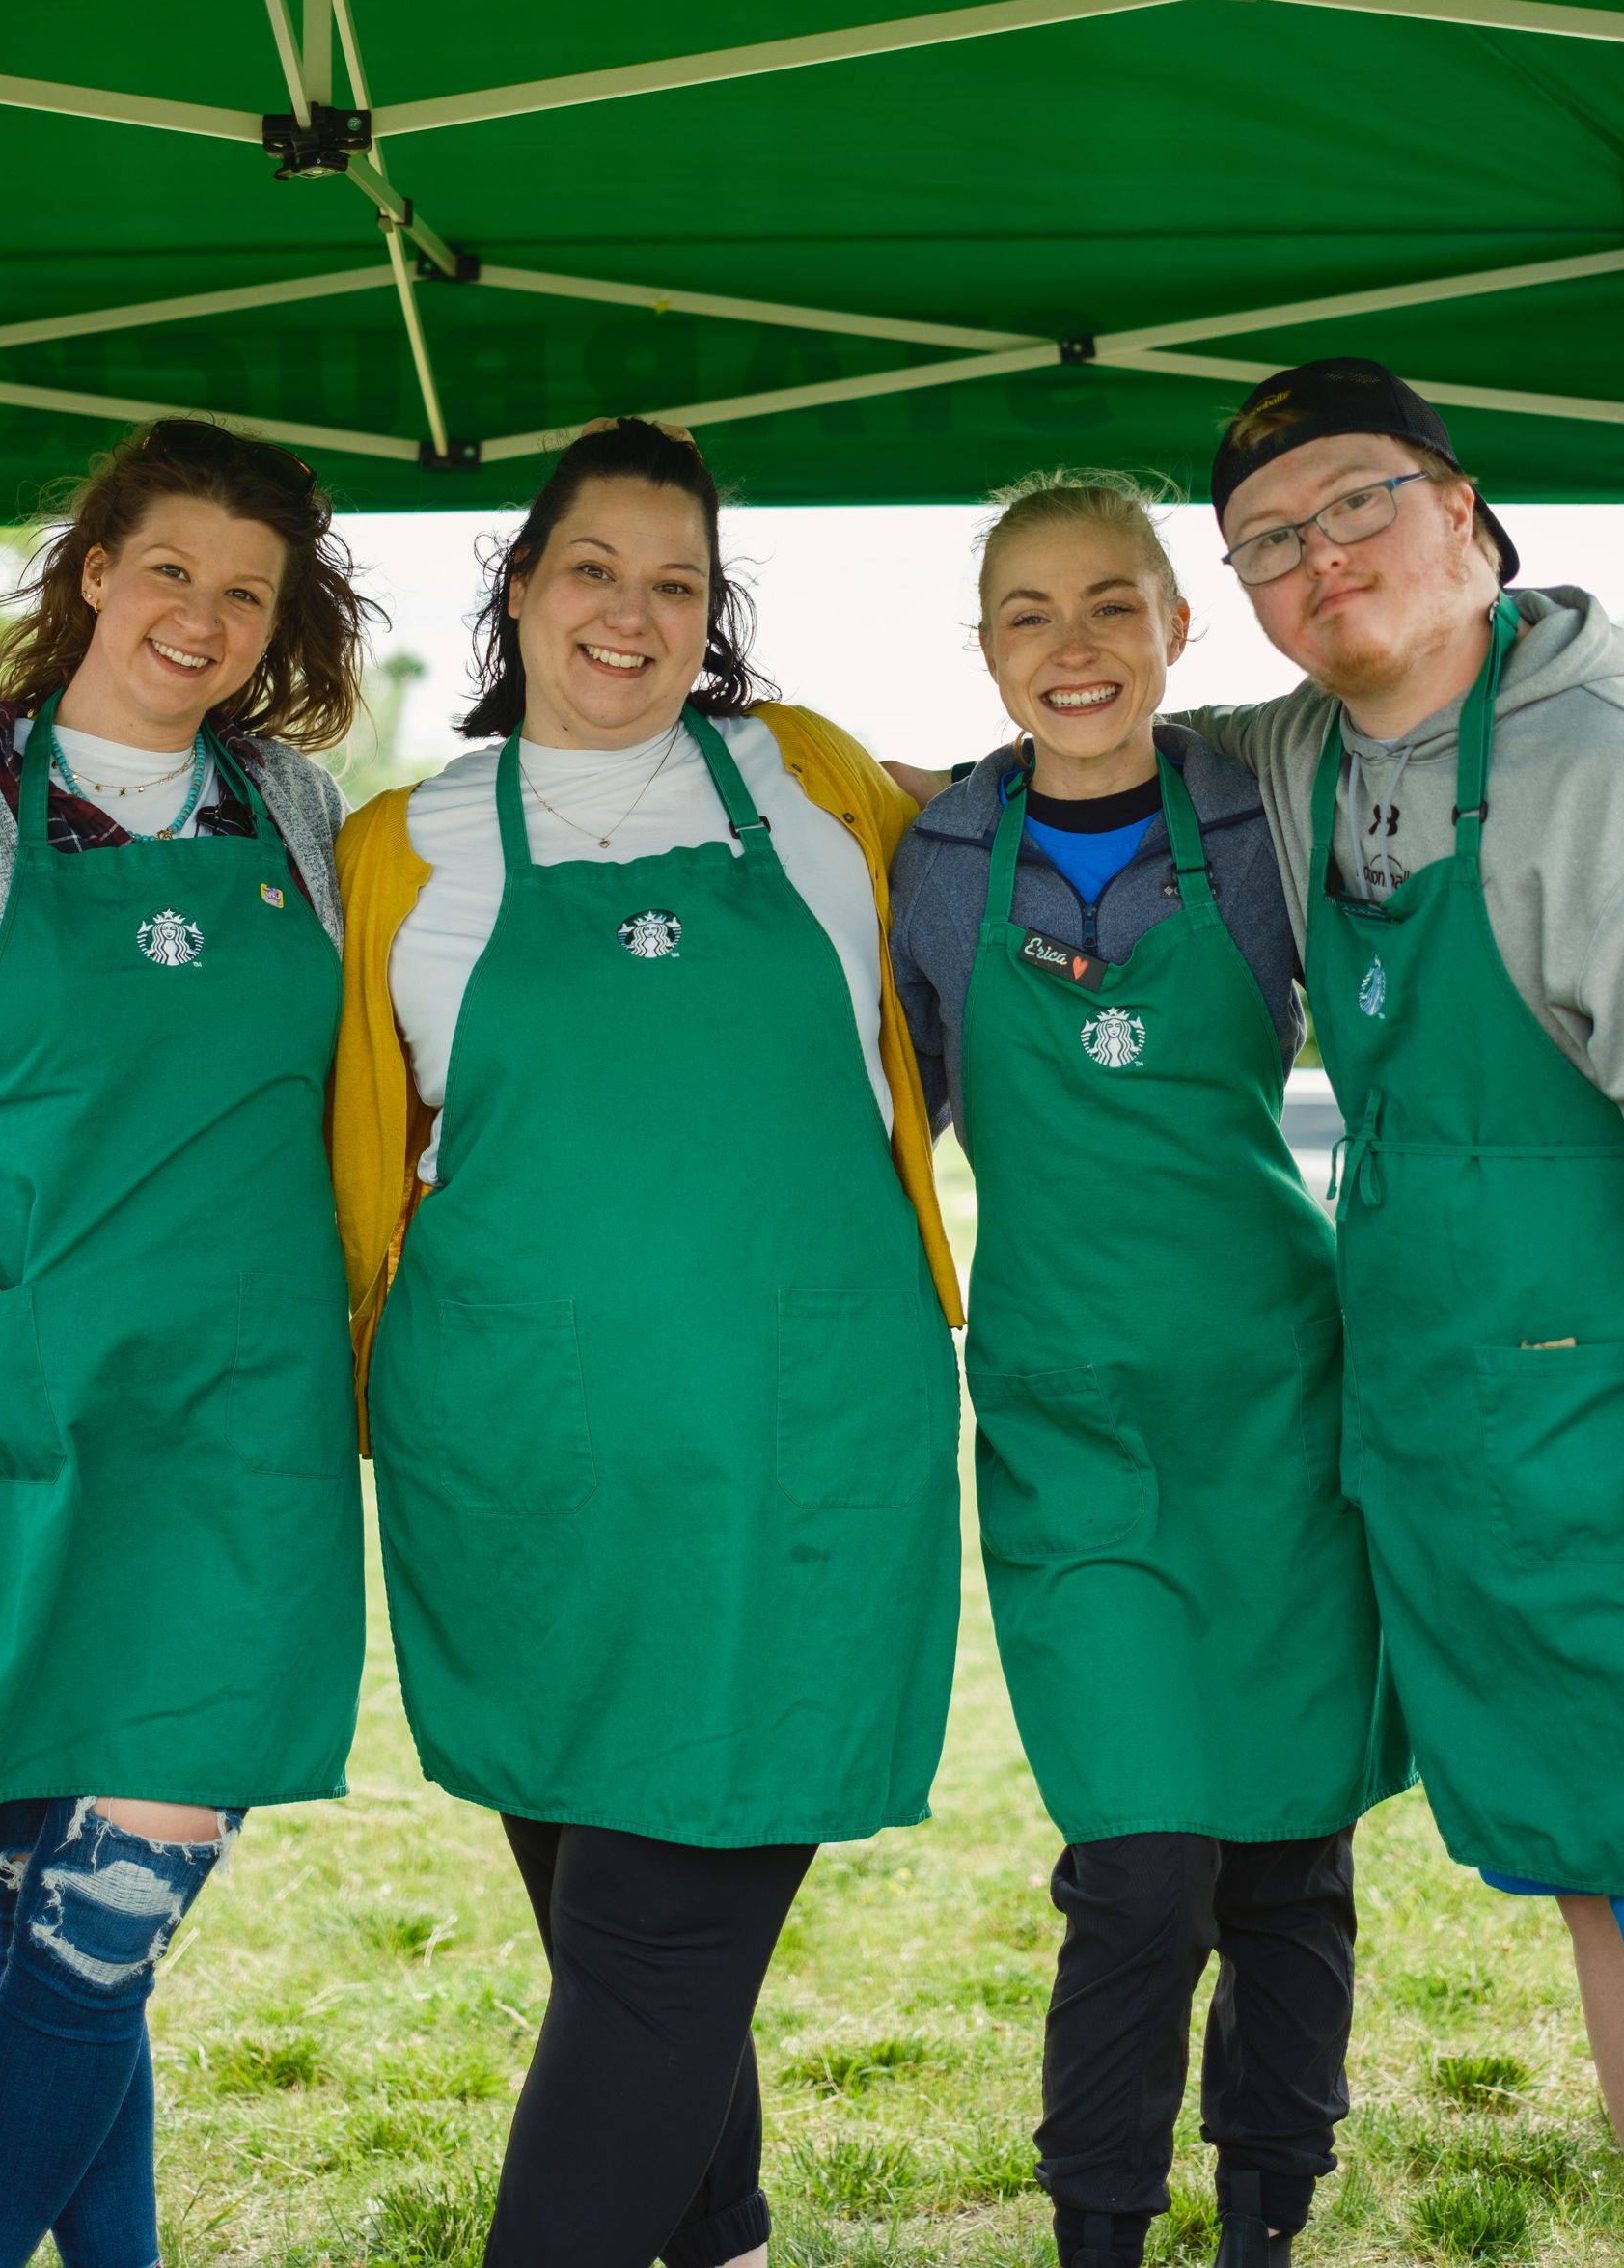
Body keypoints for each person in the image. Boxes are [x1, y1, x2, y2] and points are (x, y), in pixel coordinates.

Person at [328, 415, 963, 2268]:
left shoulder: (826, 787)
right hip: (525, 1467)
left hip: (794, 1447)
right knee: (614, 1925)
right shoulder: (396, 849)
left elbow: (1098, 811)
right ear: (518, 590)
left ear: (716, 614)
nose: (632, 611)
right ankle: (725, 2237)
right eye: (593, 569)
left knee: (658, 1944)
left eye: (676, 581)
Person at [1182, 358, 1624, 2266]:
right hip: (1469, 1420)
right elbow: (1099, 753)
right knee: (1607, 1868)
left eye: (1361, 507)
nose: (1324, 561)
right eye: (1268, 544)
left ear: (1467, 513)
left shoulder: (1602, 764)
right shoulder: (1308, 750)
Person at [0, 418, 374, 2267]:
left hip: (240, 1442)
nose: (205, 617)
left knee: (96, 1941)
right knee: (59, 1942)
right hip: (12, 1421)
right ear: (92, 572)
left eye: (248, 592)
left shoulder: (300, 814)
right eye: (170, 571)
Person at [887, 470, 1408, 2268]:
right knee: (1141, 1870)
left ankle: (1268, 2219)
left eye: (1112, 602)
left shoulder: (1270, 805)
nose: (1073, 645)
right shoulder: (934, 859)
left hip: (1280, 1408)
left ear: (1182, 625)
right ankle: (1098, 2229)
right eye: (1028, 613)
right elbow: (888, 1108)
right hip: (1073, 1428)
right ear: (983, 650)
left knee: (1286, 1867)